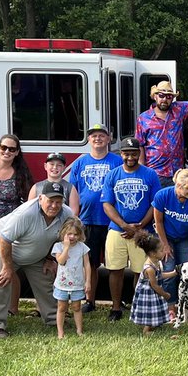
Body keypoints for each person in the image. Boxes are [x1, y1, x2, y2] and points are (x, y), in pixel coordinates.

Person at [0, 181, 74, 338]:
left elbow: (63, 237)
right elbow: (5, 240)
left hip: (35, 253)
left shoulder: (67, 214)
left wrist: (48, 258)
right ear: (40, 199)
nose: (54, 205)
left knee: (47, 280)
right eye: (50, 201)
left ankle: (54, 318)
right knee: (0, 282)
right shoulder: (26, 213)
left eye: (58, 202)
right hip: (4, 247)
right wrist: (7, 267)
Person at [101, 137, 161, 322]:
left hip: (142, 230)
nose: (130, 157)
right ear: (121, 154)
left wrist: (141, 226)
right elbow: (107, 204)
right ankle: (116, 308)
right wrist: (124, 225)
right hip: (117, 229)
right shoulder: (113, 174)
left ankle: (137, 306)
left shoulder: (150, 174)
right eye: (126, 153)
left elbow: (155, 203)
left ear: (139, 153)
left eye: (134, 153)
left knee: (140, 271)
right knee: (115, 269)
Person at [66, 124, 123, 313]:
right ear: (89, 140)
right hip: (87, 220)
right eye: (93, 136)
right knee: (90, 263)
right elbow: (73, 191)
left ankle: (118, 300)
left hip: (112, 221)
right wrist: (75, 218)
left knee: (115, 263)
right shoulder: (80, 163)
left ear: (109, 139)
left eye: (101, 135)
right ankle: (90, 300)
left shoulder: (116, 161)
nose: (97, 138)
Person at [0, 134, 33, 316]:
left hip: (7, 228)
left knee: (9, 266)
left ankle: (12, 308)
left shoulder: (21, 174)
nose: (7, 152)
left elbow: (27, 202)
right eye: (4, 147)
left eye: (12, 149)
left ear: (17, 152)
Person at [136, 81, 188, 186]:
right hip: (154, 172)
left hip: (178, 172)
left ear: (172, 98)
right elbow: (139, 145)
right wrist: (142, 171)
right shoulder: (143, 118)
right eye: (161, 95)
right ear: (155, 96)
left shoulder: (178, 109)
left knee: (178, 201)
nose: (164, 99)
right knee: (156, 202)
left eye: (168, 96)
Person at [151, 168, 188, 318]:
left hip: (184, 238)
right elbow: (159, 222)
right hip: (165, 235)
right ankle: (170, 308)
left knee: (186, 270)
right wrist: (165, 245)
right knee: (169, 270)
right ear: (178, 186)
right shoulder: (162, 195)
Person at [52, 218, 92, 338]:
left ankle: (79, 330)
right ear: (63, 233)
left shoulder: (82, 247)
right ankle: (60, 332)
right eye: (69, 234)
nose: (72, 237)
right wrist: (66, 247)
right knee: (61, 307)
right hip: (62, 284)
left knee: (77, 307)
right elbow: (61, 261)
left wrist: (88, 281)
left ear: (80, 235)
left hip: (77, 284)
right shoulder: (58, 247)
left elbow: (87, 265)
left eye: (75, 234)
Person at [130, 231, 175, 334]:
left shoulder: (156, 262)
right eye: (161, 250)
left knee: (155, 309)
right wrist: (164, 294)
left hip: (153, 292)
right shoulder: (149, 268)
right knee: (149, 312)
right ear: (153, 253)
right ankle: (146, 330)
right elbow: (154, 285)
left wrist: (173, 273)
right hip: (148, 294)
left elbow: (160, 276)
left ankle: (154, 324)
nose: (164, 252)